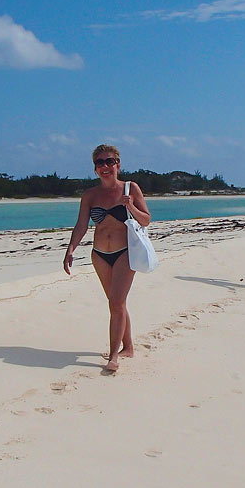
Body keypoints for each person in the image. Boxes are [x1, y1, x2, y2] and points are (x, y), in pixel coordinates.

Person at [64, 144, 152, 372]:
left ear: (118, 164)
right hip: (100, 254)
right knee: (117, 303)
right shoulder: (90, 195)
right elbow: (82, 224)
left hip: (125, 253)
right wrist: (71, 248)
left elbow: (146, 220)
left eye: (109, 161)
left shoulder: (131, 188)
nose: (105, 166)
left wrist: (131, 206)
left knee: (116, 302)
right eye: (100, 163)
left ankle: (114, 355)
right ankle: (128, 346)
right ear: (95, 169)